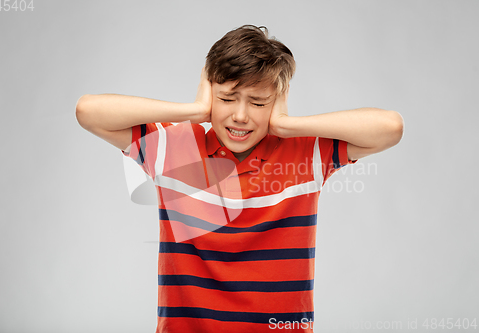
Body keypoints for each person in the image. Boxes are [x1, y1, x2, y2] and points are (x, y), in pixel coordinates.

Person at [76, 25, 404, 333]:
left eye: (258, 102)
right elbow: (88, 111)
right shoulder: (174, 148)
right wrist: (194, 109)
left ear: (277, 100)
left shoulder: (306, 155)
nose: (241, 116)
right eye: (227, 99)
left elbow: (390, 128)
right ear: (210, 94)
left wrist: (287, 125)